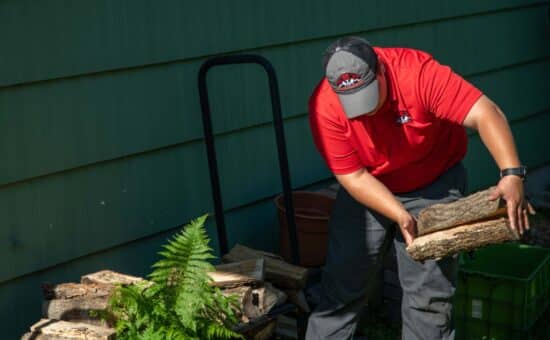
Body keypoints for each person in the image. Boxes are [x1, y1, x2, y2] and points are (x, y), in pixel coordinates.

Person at [305, 36, 531, 340]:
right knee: (342, 284)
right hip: (368, 186)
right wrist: (399, 213)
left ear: (381, 70)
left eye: (370, 96)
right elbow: (353, 177)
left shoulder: (417, 73)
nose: (366, 112)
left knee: (429, 297)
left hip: (433, 182)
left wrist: (512, 173)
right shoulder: (325, 106)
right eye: (354, 103)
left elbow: (484, 112)